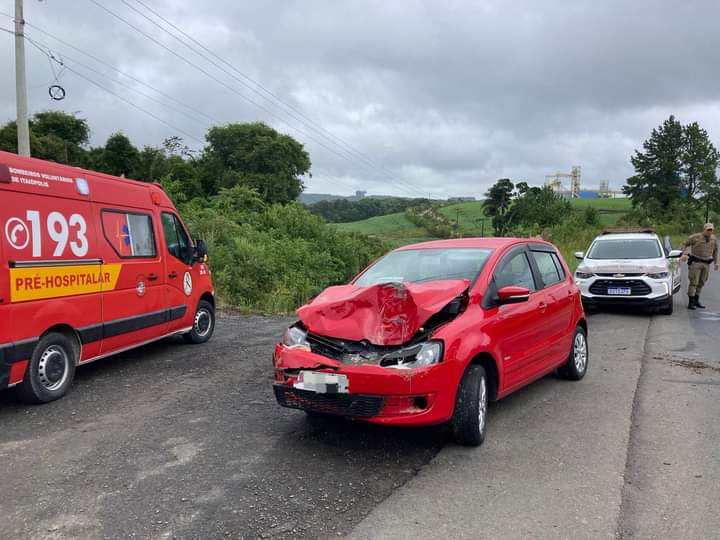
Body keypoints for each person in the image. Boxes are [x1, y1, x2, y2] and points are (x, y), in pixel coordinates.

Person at [680, 223, 719, 309]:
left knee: (701, 282)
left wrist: (716, 262)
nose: (710, 231)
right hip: (695, 263)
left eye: (711, 230)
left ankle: (696, 301)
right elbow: (684, 244)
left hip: (706, 264)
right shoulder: (695, 237)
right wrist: (684, 253)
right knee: (694, 282)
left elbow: (715, 250)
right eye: (708, 230)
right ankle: (691, 302)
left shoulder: (713, 238)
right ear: (704, 229)